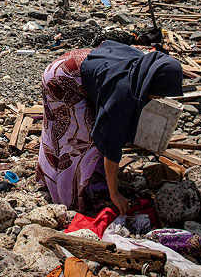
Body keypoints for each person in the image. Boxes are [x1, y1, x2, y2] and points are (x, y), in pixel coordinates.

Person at [36, 40, 183, 215]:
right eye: (160, 92)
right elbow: (109, 141)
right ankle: (66, 196)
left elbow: (107, 45)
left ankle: (88, 178)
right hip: (60, 81)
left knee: (85, 132)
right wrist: (114, 193)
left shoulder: (143, 67)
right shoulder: (123, 90)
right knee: (79, 140)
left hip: (73, 64)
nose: (160, 97)